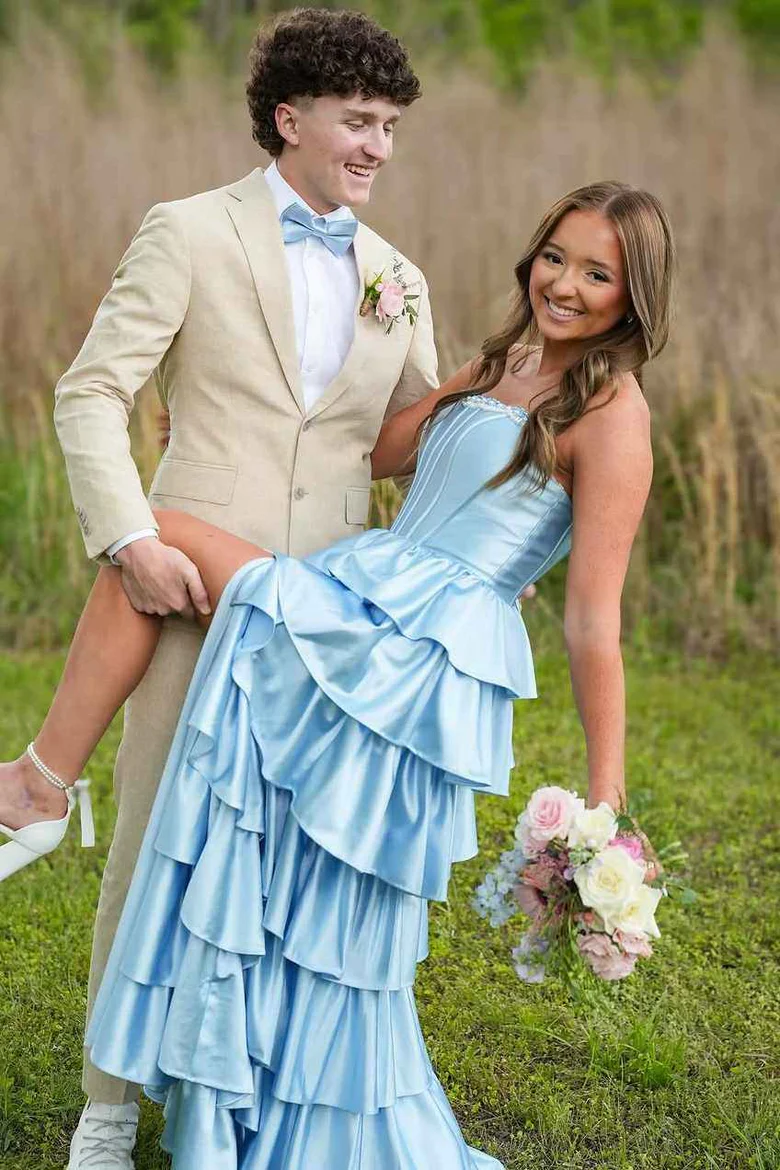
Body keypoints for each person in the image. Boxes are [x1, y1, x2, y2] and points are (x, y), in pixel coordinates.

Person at [0, 180, 675, 1168]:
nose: (564, 285)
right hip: (373, 589)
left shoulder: (614, 413)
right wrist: (261, 421)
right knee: (298, 867)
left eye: (596, 274)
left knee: (155, 534)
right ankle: (49, 800)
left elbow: (592, 617)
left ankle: (37, 786)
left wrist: (605, 799)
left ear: (634, 294)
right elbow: (383, 448)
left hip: (419, 650)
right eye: (555, 257)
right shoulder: (509, 362)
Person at [3, 8, 439, 1166]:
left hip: (327, 618)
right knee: (155, 841)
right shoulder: (189, 231)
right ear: (289, 117)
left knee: (296, 860)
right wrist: (128, 539)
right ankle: (107, 1105)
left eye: (391, 126)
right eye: (358, 121)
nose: (378, 146)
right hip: (191, 590)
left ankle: (254, 1096)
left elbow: (406, 446)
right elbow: (91, 393)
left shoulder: (399, 278)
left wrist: (470, 529)